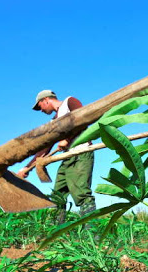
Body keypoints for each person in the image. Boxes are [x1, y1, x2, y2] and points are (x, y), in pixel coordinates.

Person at [18, 90, 96, 222]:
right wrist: (26, 168)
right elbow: (45, 148)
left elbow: (83, 118)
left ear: (46, 100)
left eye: (40, 106)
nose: (41, 110)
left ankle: (92, 232)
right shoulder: (54, 121)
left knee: (81, 192)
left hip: (81, 152)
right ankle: (58, 231)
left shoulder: (70, 102)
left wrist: (68, 139)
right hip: (67, 157)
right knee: (58, 195)